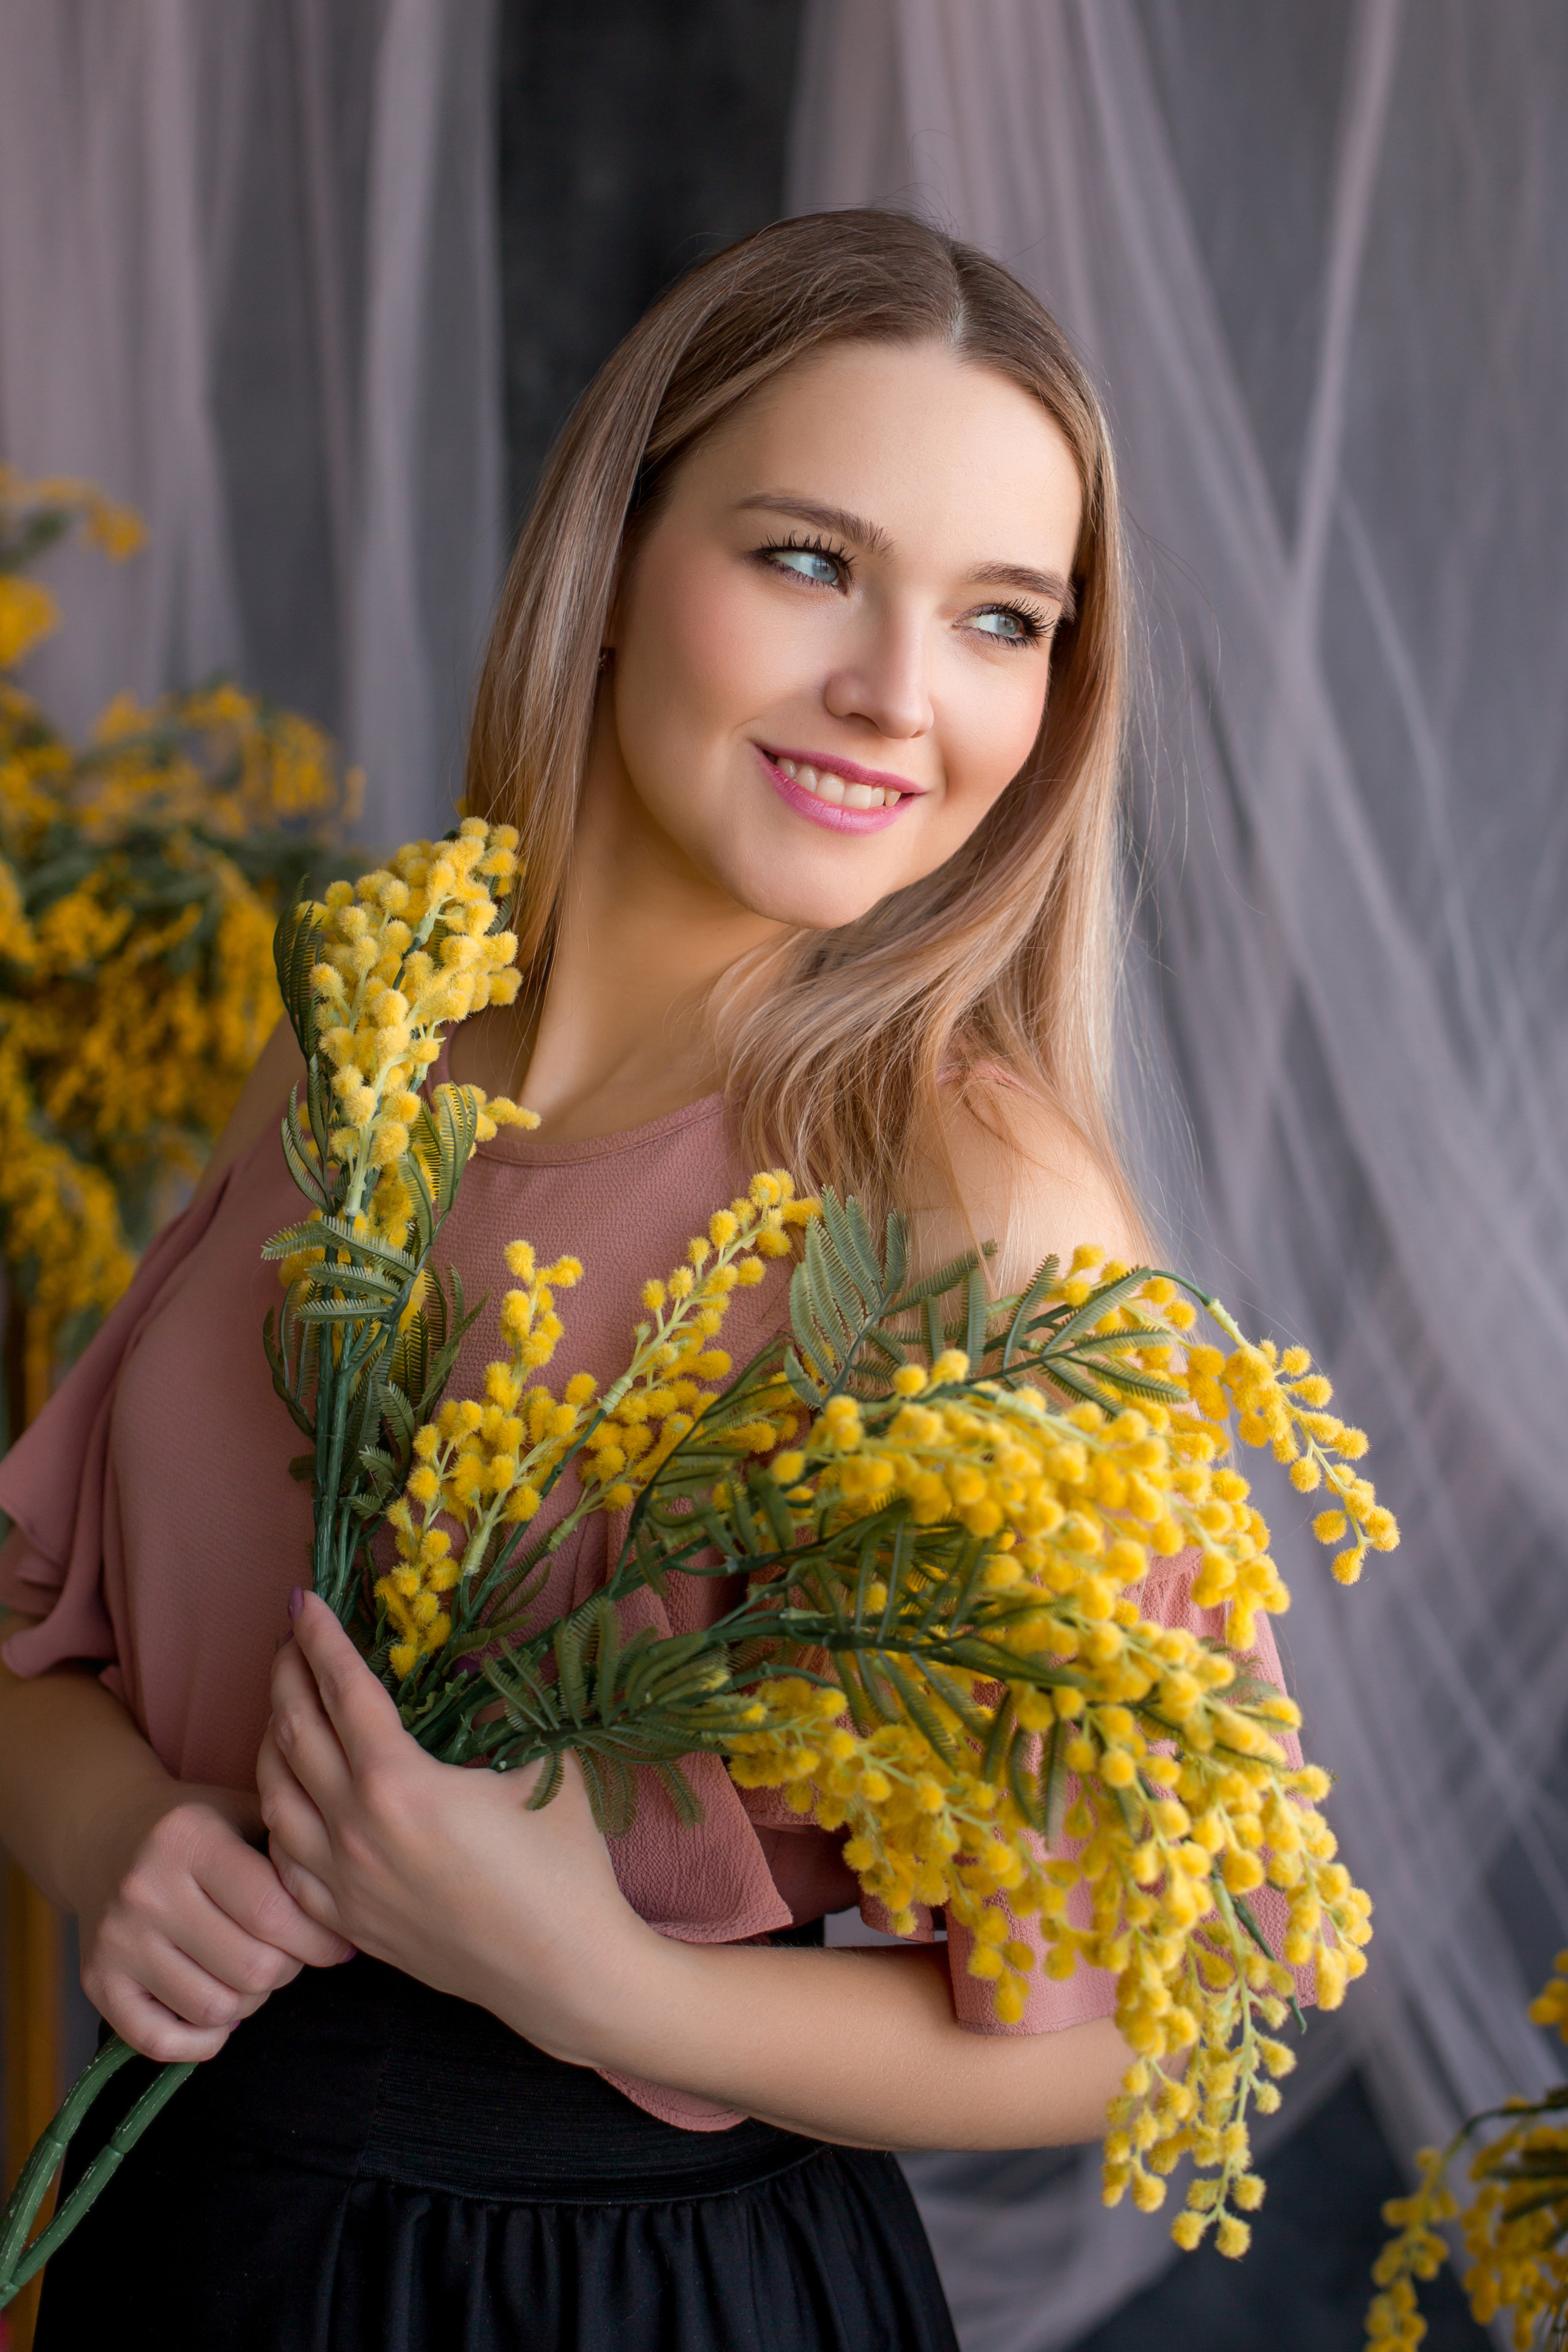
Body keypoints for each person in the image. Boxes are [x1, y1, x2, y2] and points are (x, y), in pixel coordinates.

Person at [0, 211, 1298, 2350]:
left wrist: (602, 1981)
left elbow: (1169, 2004)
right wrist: (115, 1834)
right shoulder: (357, 1040)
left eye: (1003, 619)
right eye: (810, 560)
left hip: (634, 2289)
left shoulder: (974, 1199)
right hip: (191, 2242)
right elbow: (40, 1639)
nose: (900, 693)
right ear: (613, 560)